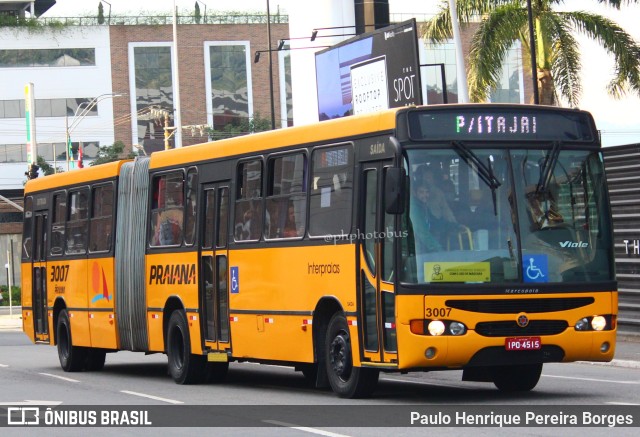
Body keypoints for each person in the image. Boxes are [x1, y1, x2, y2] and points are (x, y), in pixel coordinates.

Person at [410, 182, 442, 252]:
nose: (425, 195)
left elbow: (435, 222)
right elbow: (422, 232)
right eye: (421, 192)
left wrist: (454, 226)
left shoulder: (423, 206)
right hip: (416, 249)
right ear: (415, 193)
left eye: (427, 192)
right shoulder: (414, 208)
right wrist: (438, 249)